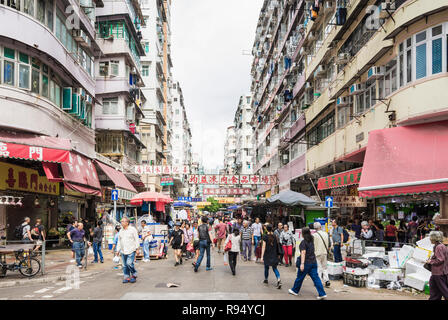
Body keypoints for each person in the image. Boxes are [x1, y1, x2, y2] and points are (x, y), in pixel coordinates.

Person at [289, 227, 327, 300]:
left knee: (300, 277)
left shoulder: (303, 242)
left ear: (303, 234)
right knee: (316, 278)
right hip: (313, 262)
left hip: (306, 263)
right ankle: (322, 294)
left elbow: (303, 253)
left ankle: (295, 290)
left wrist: (302, 264)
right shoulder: (311, 241)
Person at [116, 217, 140, 283]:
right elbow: (119, 241)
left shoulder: (132, 229)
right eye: (121, 221)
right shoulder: (121, 231)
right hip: (123, 250)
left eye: (123, 221)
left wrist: (137, 248)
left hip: (131, 249)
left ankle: (134, 274)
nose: (121, 223)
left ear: (127, 222)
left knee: (129, 263)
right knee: (124, 265)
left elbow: (136, 239)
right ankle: (126, 277)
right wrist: (117, 250)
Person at [426, 231, 448, 300]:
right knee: (435, 289)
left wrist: (430, 261)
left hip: (439, 272)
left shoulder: (439, 247)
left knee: (444, 290)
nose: (430, 239)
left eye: (430, 237)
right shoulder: (441, 246)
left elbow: (440, 259)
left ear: (434, 238)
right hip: (438, 272)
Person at [261, 224, 282, 289]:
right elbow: (277, 246)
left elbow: (263, 246)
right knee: (275, 268)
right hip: (274, 254)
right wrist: (278, 255)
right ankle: (278, 279)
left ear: (266, 229)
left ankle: (266, 279)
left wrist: (261, 256)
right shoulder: (275, 236)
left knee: (266, 267)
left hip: (267, 254)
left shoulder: (265, 236)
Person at [313, 222, 331, 288]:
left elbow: (312, 245)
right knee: (325, 267)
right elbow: (329, 244)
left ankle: (319, 281)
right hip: (325, 253)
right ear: (320, 227)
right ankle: (327, 281)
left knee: (319, 268)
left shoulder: (314, 235)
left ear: (315, 228)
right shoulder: (326, 234)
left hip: (317, 253)